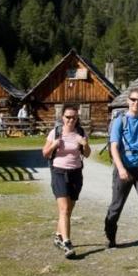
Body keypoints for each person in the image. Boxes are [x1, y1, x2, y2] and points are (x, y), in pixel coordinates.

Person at [105, 90, 138, 254]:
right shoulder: (120, 121)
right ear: (128, 101)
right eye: (133, 99)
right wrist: (120, 168)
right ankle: (110, 235)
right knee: (116, 205)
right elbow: (113, 146)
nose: (136, 103)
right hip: (124, 167)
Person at [43, 107, 89, 258]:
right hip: (59, 172)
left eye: (74, 117)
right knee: (63, 209)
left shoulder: (81, 133)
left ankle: (58, 236)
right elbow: (45, 153)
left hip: (76, 173)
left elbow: (87, 154)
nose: (71, 120)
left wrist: (85, 144)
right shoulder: (55, 132)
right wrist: (54, 145)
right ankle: (67, 244)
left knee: (68, 209)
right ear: (62, 117)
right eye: (68, 117)